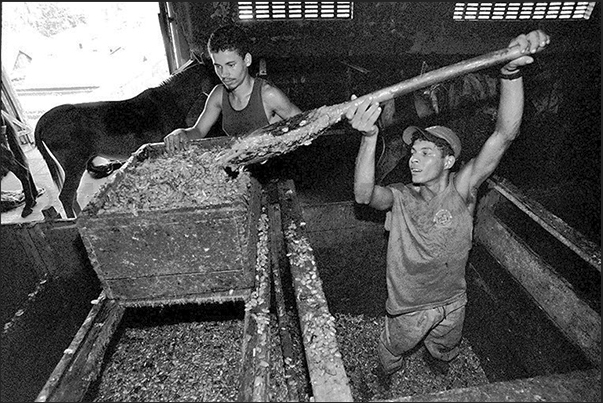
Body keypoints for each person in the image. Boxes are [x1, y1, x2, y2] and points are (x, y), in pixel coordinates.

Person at [344, 30, 550, 382]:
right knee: (394, 348)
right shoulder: (401, 197)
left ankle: (438, 363)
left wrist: (510, 74)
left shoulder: (462, 189)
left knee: (446, 345)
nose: (413, 159)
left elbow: (504, 134)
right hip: (409, 307)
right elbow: (364, 194)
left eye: (426, 153)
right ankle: (384, 374)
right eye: (412, 151)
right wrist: (369, 137)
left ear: (450, 160)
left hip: (454, 300)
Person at [163, 24, 301, 154]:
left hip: (274, 172)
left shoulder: (268, 95)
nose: (224, 74)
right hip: (241, 169)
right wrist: (181, 133)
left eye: (231, 65)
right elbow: (198, 131)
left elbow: (308, 125)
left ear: (247, 60)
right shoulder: (218, 95)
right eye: (218, 66)